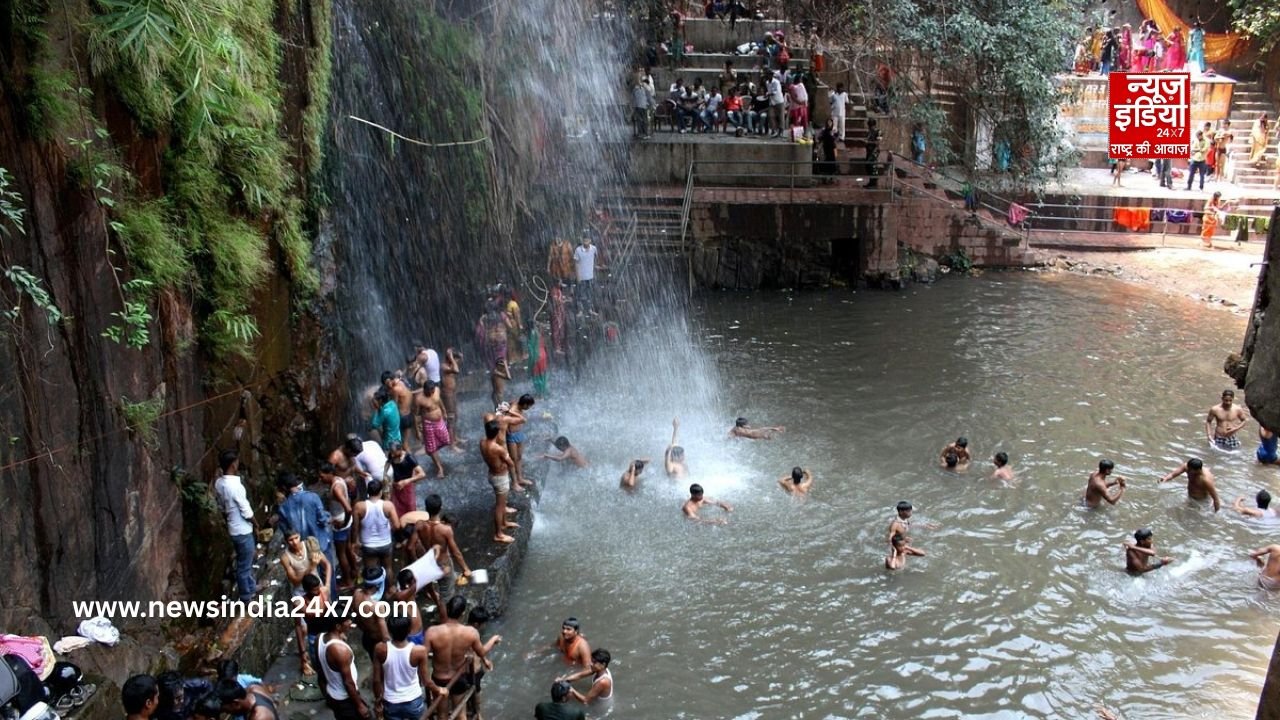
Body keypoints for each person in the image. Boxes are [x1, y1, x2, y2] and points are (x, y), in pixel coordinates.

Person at [425, 596, 491, 717]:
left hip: (439, 678)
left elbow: (423, 658)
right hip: (458, 677)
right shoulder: (471, 632)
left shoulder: (432, 632)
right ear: (463, 613)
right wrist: (493, 640)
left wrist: (427, 681)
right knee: (460, 714)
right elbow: (481, 652)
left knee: (442, 715)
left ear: (447, 609)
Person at [372, 614, 445, 720]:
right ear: (409, 630)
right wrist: (439, 690)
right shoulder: (419, 651)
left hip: (391, 701)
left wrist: (378, 700)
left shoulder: (380, 649)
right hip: (413, 700)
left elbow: (376, 680)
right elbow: (426, 681)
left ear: (390, 630)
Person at [281, 529, 331, 676]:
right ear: (286, 542)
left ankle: (331, 638)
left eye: (296, 538)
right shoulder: (286, 557)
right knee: (301, 627)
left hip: (316, 587)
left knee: (326, 614)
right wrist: (311, 567)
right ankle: (304, 659)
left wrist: (327, 585)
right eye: (291, 540)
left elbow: (327, 564)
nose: (294, 542)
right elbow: (295, 580)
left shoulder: (309, 546)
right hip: (300, 591)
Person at [214, 449, 258, 603]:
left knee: (244, 560)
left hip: (232, 528)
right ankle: (246, 597)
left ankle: (251, 587)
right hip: (243, 530)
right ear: (233, 465)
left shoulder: (219, 483)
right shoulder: (235, 487)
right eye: (237, 462)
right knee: (244, 566)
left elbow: (221, 505)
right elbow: (246, 511)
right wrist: (256, 524)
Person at [277, 471, 334, 578]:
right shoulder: (312, 497)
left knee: (312, 578)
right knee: (328, 572)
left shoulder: (283, 508)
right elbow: (322, 520)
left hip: (303, 549)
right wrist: (328, 517)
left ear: (283, 488)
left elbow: (286, 531)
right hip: (320, 542)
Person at [318, 612, 371, 720]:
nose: (350, 622)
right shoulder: (340, 650)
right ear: (338, 626)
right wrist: (360, 706)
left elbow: (320, 670)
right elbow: (348, 683)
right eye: (347, 620)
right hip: (345, 699)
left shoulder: (320, 638)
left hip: (333, 694)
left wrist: (326, 693)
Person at [415, 494, 472, 583]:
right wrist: (465, 569)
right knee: (446, 589)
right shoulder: (446, 530)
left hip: (429, 560)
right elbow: (456, 552)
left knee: (436, 580)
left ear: (426, 508)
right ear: (440, 508)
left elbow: (414, 543)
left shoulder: (419, 524)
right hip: (443, 563)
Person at [320, 461, 356, 592]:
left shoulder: (336, 488)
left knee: (341, 554)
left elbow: (348, 508)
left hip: (341, 521)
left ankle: (348, 581)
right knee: (348, 548)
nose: (321, 479)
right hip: (345, 519)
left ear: (329, 473)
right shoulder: (339, 479)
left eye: (322, 476)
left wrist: (343, 523)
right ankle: (355, 572)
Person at [353, 479, 400, 579]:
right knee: (388, 568)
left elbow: (355, 527)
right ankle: (390, 587)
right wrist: (388, 527)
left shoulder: (359, 507)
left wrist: (355, 541)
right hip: (385, 543)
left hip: (368, 545)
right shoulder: (388, 505)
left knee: (370, 571)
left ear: (368, 492)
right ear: (380, 492)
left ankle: (374, 588)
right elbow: (397, 525)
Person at [481, 418, 518, 544]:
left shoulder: (482, 442)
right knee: (500, 506)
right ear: (497, 433)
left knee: (502, 503)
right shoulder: (498, 449)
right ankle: (498, 534)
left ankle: (504, 522)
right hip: (500, 478)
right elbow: (511, 463)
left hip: (492, 474)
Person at [416, 380, 449, 478]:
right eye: (429, 392)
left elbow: (439, 401)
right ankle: (439, 468)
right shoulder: (419, 399)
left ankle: (431, 450)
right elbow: (416, 414)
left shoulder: (437, 390)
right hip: (428, 423)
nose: (431, 394)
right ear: (424, 390)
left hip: (439, 420)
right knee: (431, 447)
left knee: (446, 440)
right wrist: (418, 428)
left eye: (432, 391)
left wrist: (444, 411)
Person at [503, 394, 535, 492]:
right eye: (529, 406)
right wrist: (507, 432)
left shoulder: (516, 402)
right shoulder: (513, 409)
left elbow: (507, 404)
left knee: (519, 457)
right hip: (512, 436)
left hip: (519, 433)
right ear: (525, 404)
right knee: (513, 459)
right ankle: (514, 483)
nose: (529, 408)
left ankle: (520, 478)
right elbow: (504, 420)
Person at [383, 443, 424, 518]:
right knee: (397, 505)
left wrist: (406, 481)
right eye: (391, 453)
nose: (392, 455)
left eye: (394, 453)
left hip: (407, 486)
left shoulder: (409, 458)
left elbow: (422, 474)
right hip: (396, 485)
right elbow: (388, 462)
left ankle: (411, 521)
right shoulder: (392, 455)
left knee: (409, 506)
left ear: (400, 450)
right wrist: (385, 474)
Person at [440, 348, 464, 450]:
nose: (456, 361)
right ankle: (452, 444)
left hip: (453, 392)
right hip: (447, 394)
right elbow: (456, 370)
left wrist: (458, 355)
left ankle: (455, 437)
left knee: (456, 415)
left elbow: (460, 361)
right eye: (455, 359)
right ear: (450, 358)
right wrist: (450, 356)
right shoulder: (443, 366)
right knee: (451, 418)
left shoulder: (452, 364)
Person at [573, 232, 599, 314]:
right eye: (584, 240)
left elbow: (596, 258)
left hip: (590, 276)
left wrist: (594, 269)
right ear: (582, 241)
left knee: (590, 294)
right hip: (581, 276)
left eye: (587, 240)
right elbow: (576, 263)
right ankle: (580, 310)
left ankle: (590, 309)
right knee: (580, 294)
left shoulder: (594, 249)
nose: (586, 242)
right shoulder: (578, 250)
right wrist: (578, 276)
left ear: (590, 241)